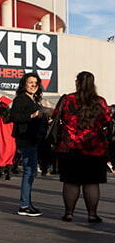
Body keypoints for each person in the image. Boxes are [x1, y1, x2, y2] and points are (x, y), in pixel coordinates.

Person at [53, 71, 112, 223]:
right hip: (94, 148)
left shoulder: (68, 99)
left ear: (77, 82)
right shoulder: (100, 102)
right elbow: (107, 121)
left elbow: (56, 117)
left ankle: (69, 213)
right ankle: (92, 214)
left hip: (70, 147)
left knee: (71, 182)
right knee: (91, 183)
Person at [10, 72, 49, 217]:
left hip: (33, 139)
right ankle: (24, 205)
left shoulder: (33, 100)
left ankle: (27, 203)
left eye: (35, 83)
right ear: (24, 84)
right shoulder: (21, 99)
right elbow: (13, 116)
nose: (33, 85)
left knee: (31, 171)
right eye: (30, 82)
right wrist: (32, 116)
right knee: (29, 171)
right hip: (26, 139)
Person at [0, 97, 16, 181]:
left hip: (1, 139)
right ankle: (9, 173)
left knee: (0, 156)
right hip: (11, 139)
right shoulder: (12, 116)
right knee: (9, 157)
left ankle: (2, 173)